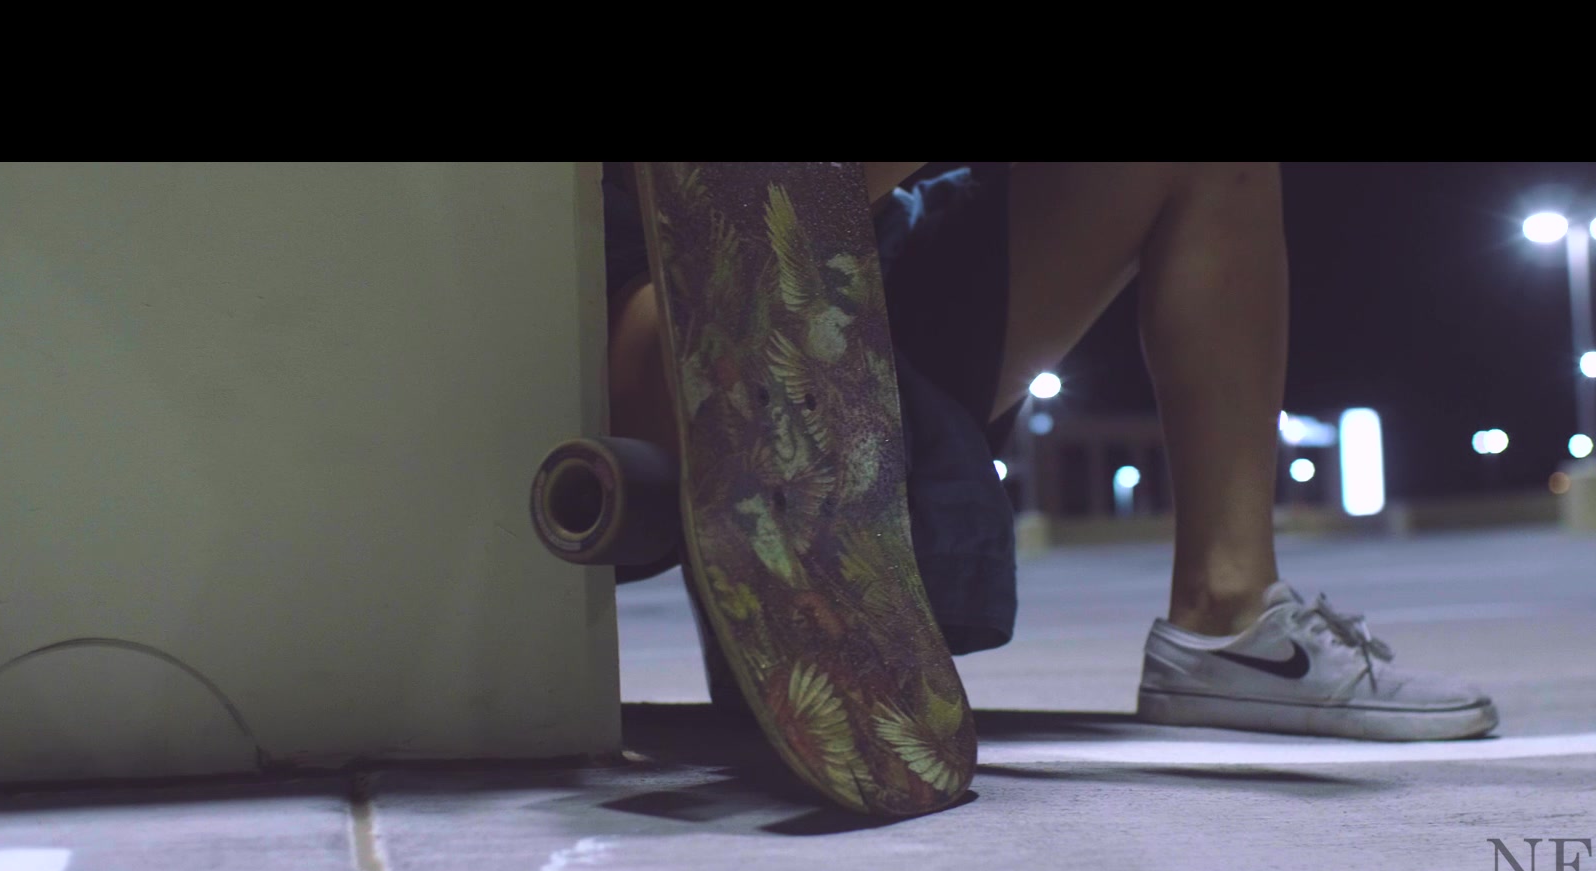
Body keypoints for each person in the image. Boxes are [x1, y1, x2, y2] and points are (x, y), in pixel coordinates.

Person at [603, 162, 1497, 743]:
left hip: (854, 268)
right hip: (631, 297)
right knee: (712, 252)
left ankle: (1229, 620)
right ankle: (781, 544)